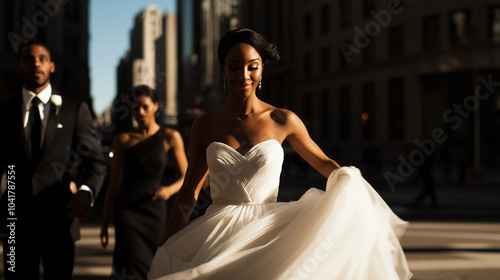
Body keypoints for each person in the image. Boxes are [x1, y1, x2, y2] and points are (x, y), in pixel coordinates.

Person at [148, 28, 412, 280]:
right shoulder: (205, 125)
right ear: (223, 69)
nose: (244, 75)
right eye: (234, 66)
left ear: (262, 68)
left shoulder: (283, 120)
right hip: (217, 235)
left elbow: (322, 162)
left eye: (253, 66)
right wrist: (165, 245)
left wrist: (348, 180)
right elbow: (189, 193)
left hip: (268, 234)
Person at [0, 40, 107, 279]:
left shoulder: (74, 110)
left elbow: (96, 162)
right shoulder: (4, 112)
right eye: (29, 59)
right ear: (18, 66)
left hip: (60, 220)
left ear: (52, 66)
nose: (35, 63)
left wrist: (86, 191)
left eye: (42, 59)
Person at [100, 85, 188, 280]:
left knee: (155, 265)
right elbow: (114, 184)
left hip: (154, 211)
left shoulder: (170, 137)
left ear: (155, 106)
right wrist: (105, 223)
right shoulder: (123, 140)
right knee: (130, 265)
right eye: (134, 108)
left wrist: (168, 190)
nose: (139, 112)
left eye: (144, 106)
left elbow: (186, 177)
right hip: (127, 211)